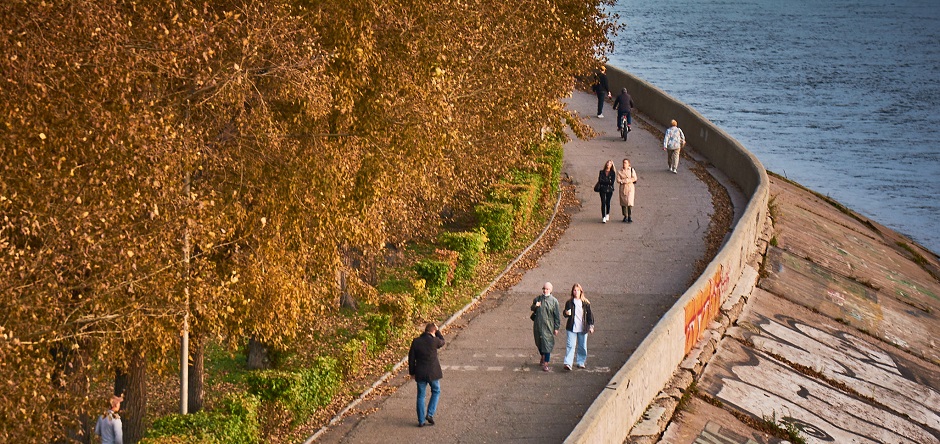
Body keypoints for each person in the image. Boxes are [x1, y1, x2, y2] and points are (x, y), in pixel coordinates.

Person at [408, 322, 445, 427]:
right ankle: (430, 414)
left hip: (420, 373)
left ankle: (421, 421)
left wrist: (412, 372)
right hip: (433, 373)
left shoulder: (416, 341)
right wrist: (438, 331)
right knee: (436, 391)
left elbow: (411, 358)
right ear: (433, 331)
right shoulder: (434, 341)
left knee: (421, 396)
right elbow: (443, 341)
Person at [562, 283, 595, 371]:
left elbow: (590, 316)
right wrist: (566, 313)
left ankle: (581, 362)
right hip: (571, 327)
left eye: (577, 290)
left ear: (581, 291)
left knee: (582, 346)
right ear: (572, 292)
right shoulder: (569, 302)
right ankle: (568, 363)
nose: (576, 292)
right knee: (570, 345)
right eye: (574, 290)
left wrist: (591, 326)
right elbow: (565, 314)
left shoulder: (585, 303)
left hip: (583, 328)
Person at [530, 282, 561, 372]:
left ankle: (546, 363)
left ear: (550, 290)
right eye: (544, 288)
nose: (545, 290)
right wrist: (535, 306)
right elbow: (531, 308)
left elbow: (557, 316)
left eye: (547, 289)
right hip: (538, 325)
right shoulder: (538, 299)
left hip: (548, 326)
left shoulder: (554, 301)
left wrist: (556, 327)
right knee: (539, 342)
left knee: (547, 344)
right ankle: (542, 355)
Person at [617, 158, 638, 223]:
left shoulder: (631, 170)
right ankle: (625, 215)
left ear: (629, 164)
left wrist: (627, 180)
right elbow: (618, 180)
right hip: (623, 188)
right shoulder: (620, 171)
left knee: (630, 202)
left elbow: (634, 178)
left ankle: (629, 216)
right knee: (623, 202)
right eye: (623, 162)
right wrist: (623, 181)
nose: (624, 164)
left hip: (630, 188)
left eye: (626, 163)